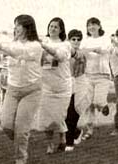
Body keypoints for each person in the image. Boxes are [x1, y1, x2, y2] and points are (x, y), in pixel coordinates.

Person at [0, 14, 43, 164]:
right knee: (6, 125)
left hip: (31, 90)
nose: (15, 28)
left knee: (21, 128)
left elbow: (17, 52)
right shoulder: (12, 43)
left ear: (27, 27)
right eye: (15, 25)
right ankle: (21, 139)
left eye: (18, 25)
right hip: (12, 89)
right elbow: (8, 49)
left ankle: (21, 157)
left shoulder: (35, 46)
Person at [37, 17, 72, 153]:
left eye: (56, 27)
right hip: (46, 86)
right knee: (46, 118)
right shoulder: (42, 42)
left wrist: (44, 46)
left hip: (62, 86)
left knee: (58, 116)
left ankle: (62, 137)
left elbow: (60, 56)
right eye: (51, 26)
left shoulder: (65, 44)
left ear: (61, 29)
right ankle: (50, 144)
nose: (52, 29)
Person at [78, 17, 112, 140]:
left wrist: (91, 50)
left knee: (98, 101)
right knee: (88, 105)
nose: (91, 27)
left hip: (103, 75)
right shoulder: (85, 41)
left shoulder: (105, 39)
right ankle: (89, 129)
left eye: (94, 25)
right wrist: (92, 50)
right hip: (88, 75)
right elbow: (81, 52)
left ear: (99, 26)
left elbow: (105, 50)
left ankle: (103, 106)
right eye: (89, 25)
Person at [64, 29, 86, 151]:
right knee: (64, 115)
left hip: (79, 84)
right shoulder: (65, 53)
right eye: (73, 39)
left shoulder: (81, 54)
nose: (76, 41)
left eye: (78, 39)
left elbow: (81, 67)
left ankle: (69, 143)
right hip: (66, 85)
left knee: (72, 113)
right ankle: (76, 132)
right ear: (69, 40)